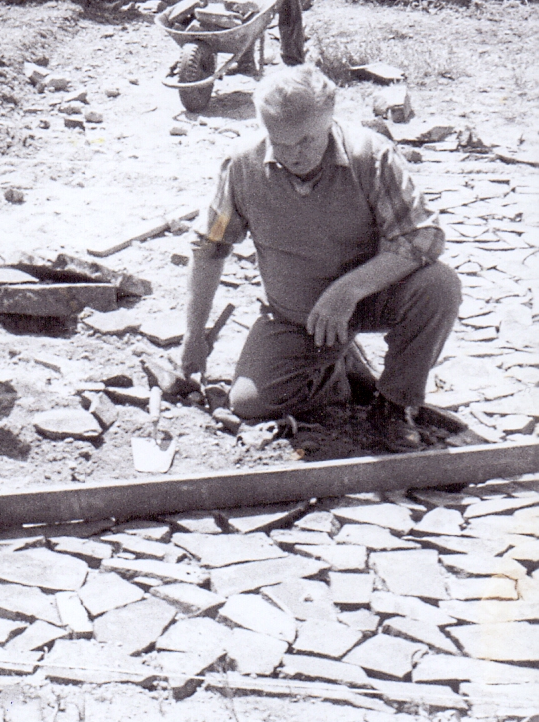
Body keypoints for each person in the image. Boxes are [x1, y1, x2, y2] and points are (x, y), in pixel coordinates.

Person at [180, 65, 461, 452]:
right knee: (249, 403)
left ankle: (395, 404)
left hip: (372, 297)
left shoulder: (370, 156)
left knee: (439, 285)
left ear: (330, 118)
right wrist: (194, 336)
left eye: (307, 140)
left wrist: (348, 290)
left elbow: (423, 236)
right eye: (280, 142)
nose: (294, 154)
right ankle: (340, 369)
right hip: (297, 316)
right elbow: (209, 247)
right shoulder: (242, 165)